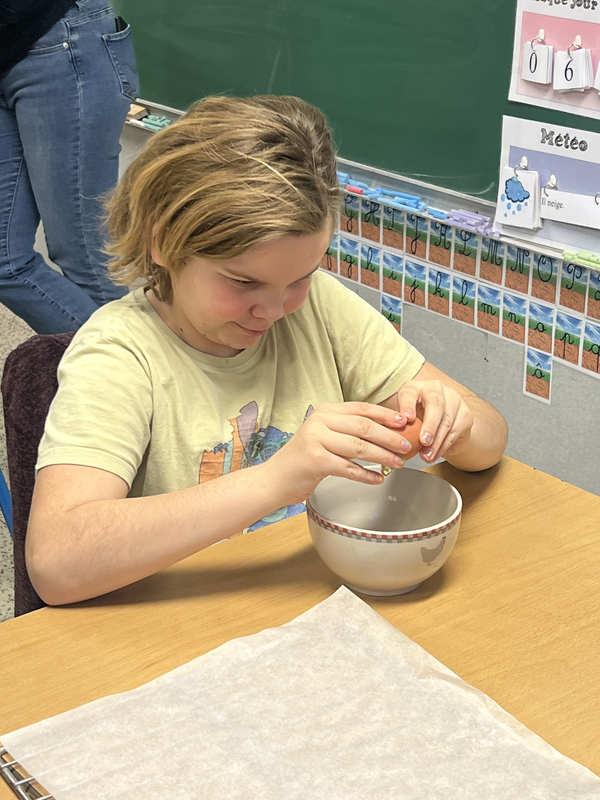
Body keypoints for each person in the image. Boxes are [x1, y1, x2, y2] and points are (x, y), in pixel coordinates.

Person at [26, 95, 508, 605]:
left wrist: (456, 426)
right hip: (189, 617)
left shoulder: (318, 306)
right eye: (243, 282)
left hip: (309, 599)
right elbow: (57, 562)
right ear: (162, 242)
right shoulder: (119, 354)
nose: (275, 310)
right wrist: (276, 480)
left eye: (301, 277)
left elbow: (491, 435)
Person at [0, 0, 138, 334]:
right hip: (9, 52)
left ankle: (126, 362)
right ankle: (110, 358)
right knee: (5, 261)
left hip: (59, 40)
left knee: (84, 256)